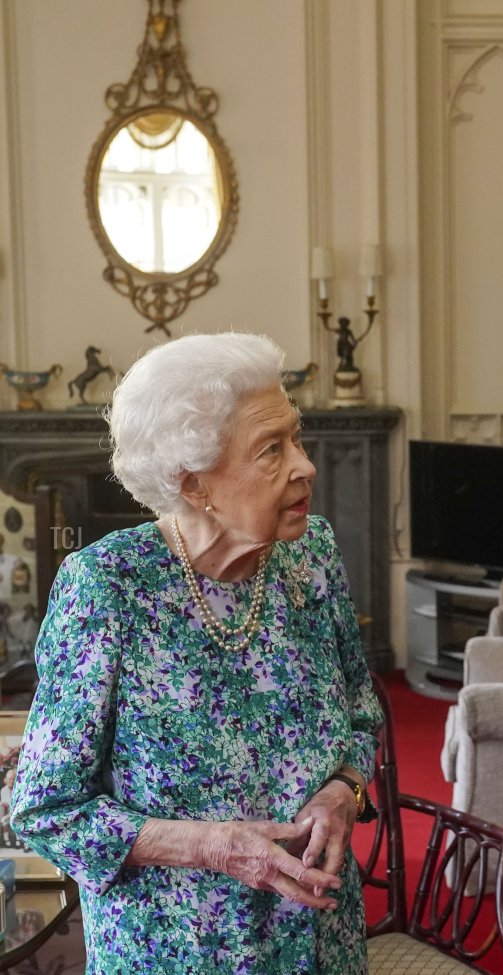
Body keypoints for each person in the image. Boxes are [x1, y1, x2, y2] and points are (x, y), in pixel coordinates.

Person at [11, 332, 383, 973]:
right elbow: (48, 808)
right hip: (176, 949)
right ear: (194, 484)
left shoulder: (311, 553)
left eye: (295, 437)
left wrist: (342, 793)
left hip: (321, 942)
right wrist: (217, 847)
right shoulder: (106, 588)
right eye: (272, 450)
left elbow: (360, 711)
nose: (305, 465)